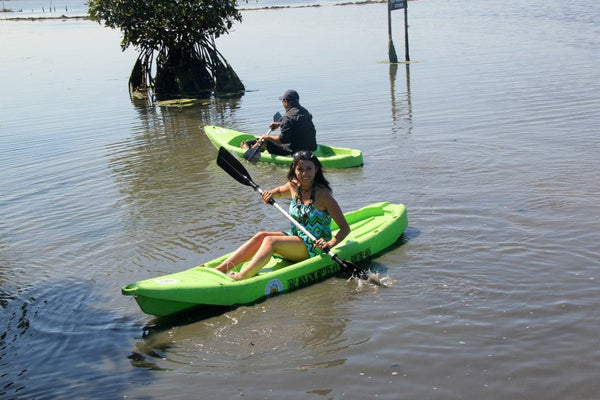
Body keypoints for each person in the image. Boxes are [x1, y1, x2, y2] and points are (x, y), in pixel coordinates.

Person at [215, 151, 350, 280]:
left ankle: (242, 276)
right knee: (261, 236)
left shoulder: (323, 195)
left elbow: (345, 228)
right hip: (296, 236)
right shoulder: (294, 186)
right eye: (300, 169)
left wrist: (329, 243)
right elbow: (279, 191)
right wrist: (270, 193)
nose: (304, 173)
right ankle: (219, 270)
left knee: (270, 241)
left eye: (309, 169)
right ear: (294, 170)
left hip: (315, 245)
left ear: (316, 169)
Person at [242, 90, 317, 156]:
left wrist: (268, 137)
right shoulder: (305, 111)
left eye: (283, 101)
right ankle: (257, 147)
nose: (282, 103)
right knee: (267, 138)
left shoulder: (287, 117)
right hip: (311, 147)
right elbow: (298, 125)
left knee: (265, 139)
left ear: (286, 102)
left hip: (294, 150)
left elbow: (283, 140)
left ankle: (248, 151)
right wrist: (280, 124)